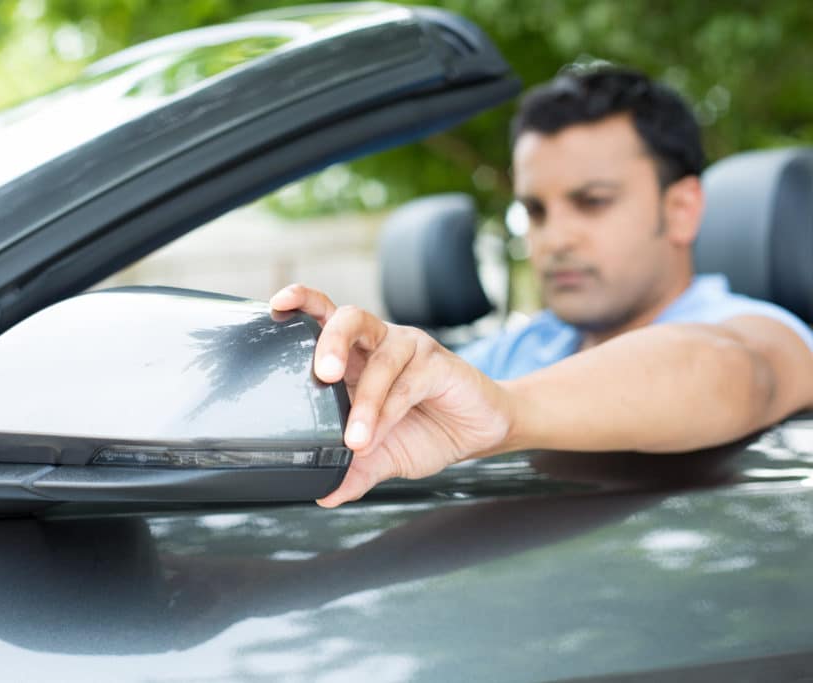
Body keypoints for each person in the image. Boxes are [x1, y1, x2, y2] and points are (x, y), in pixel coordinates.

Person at [269, 66, 813, 508]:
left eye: (593, 201)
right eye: (535, 210)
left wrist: (505, 411)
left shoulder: (760, 332)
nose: (554, 239)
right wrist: (336, 393)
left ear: (681, 209)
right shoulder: (524, 346)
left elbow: (736, 372)